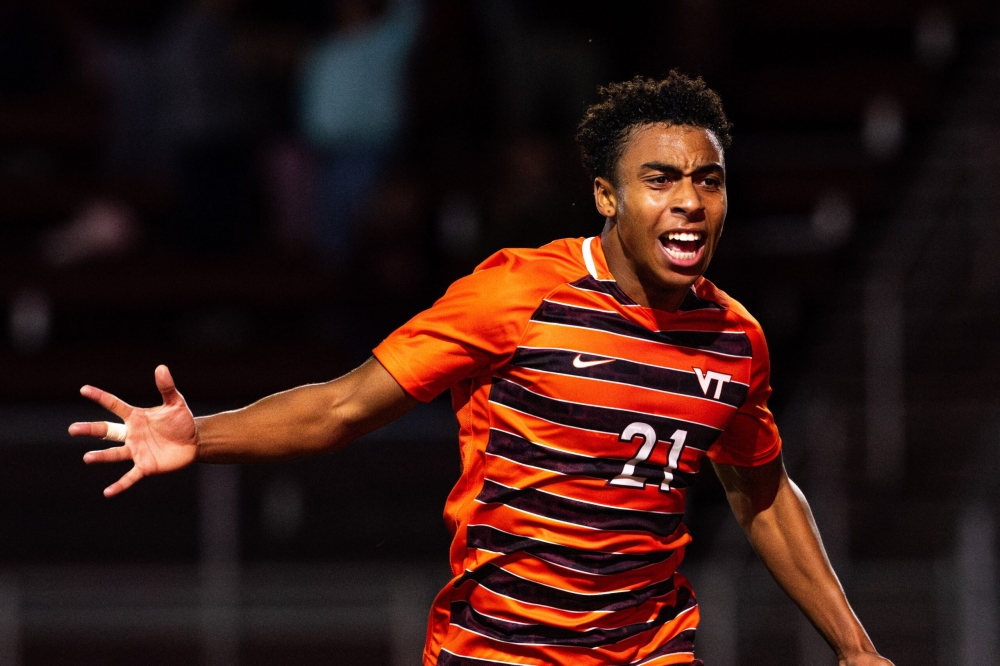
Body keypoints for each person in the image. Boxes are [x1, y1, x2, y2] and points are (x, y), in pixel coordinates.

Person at [70, 73, 893, 666]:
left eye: (708, 181)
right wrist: (201, 437)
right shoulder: (515, 293)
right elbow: (343, 407)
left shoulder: (735, 340)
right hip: (498, 649)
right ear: (607, 197)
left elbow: (763, 492)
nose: (690, 201)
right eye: (661, 179)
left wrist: (855, 647)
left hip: (649, 649)